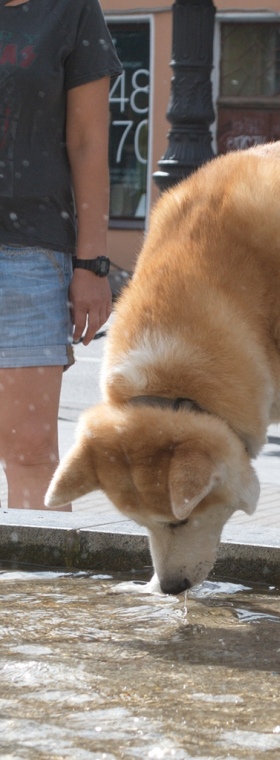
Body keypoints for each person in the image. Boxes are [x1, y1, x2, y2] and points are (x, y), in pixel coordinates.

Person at [0, 0, 121, 510]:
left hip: (30, 256)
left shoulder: (69, 10)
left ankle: (32, 589)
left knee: (30, 454)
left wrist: (92, 264)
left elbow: (89, 142)